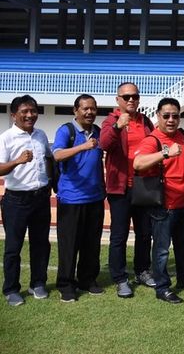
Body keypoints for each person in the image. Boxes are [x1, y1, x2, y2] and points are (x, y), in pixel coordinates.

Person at [133, 98, 184, 304]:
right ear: (158, 116)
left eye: (175, 116)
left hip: (183, 204)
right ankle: (162, 287)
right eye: (166, 115)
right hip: (163, 206)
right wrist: (166, 152)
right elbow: (138, 163)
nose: (171, 120)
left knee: (183, 245)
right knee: (161, 250)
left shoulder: (183, 136)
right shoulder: (152, 140)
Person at [100, 82, 155, 298]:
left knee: (144, 234)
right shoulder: (110, 121)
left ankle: (142, 271)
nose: (131, 99)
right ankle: (120, 278)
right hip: (120, 188)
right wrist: (117, 127)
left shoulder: (145, 121)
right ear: (118, 100)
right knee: (119, 235)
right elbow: (103, 144)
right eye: (126, 96)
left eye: (135, 96)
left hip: (144, 187)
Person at [53, 94, 106, 303]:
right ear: (76, 110)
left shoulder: (99, 131)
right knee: (69, 245)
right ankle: (66, 285)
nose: (89, 112)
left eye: (93, 108)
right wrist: (82, 147)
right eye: (85, 108)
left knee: (91, 243)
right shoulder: (66, 130)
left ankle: (87, 279)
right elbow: (57, 154)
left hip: (95, 197)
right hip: (71, 199)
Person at [0, 95, 52, 307]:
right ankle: (11, 289)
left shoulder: (40, 135)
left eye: (33, 111)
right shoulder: (6, 138)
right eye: (24, 112)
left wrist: (49, 182)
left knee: (41, 244)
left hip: (40, 198)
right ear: (14, 115)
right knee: (13, 247)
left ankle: (37, 283)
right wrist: (18, 161)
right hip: (16, 200)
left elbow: (48, 158)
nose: (30, 115)